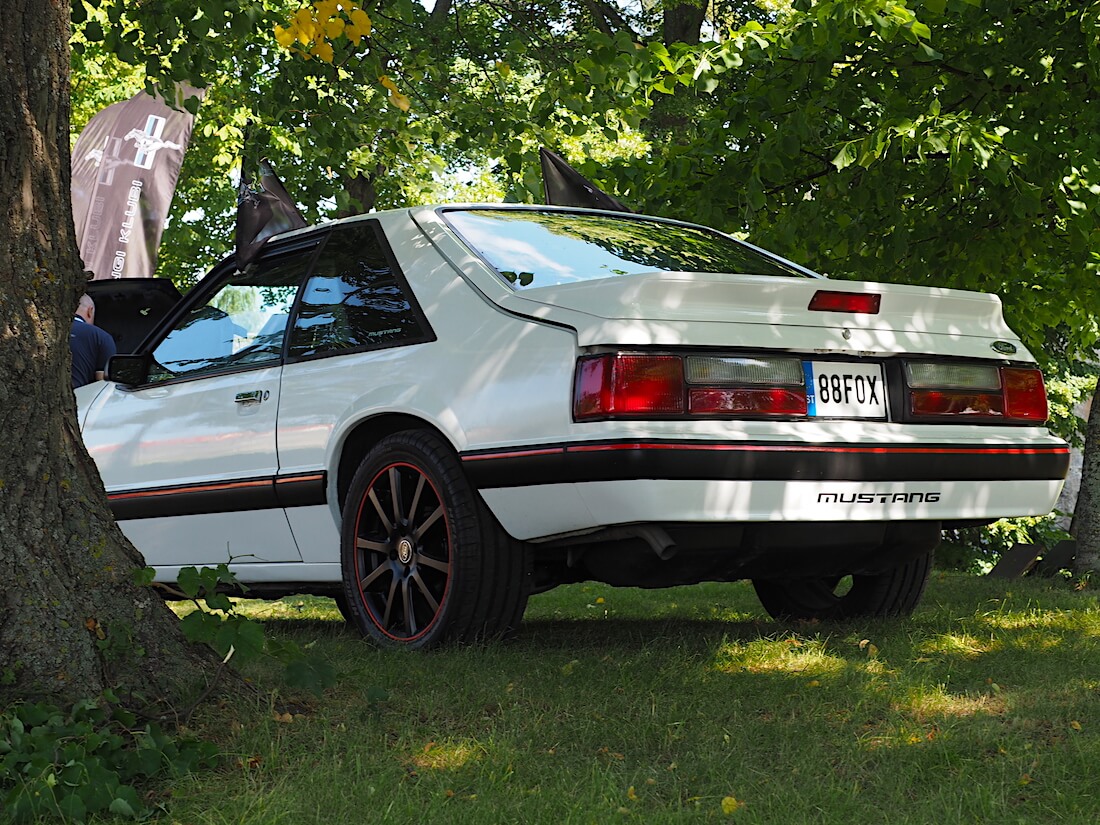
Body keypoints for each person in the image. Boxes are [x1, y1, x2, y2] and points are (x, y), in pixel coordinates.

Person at [70, 293, 116, 388]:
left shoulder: (51, 331)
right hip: (81, 399)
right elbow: (103, 386)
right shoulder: (101, 337)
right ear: (90, 311)